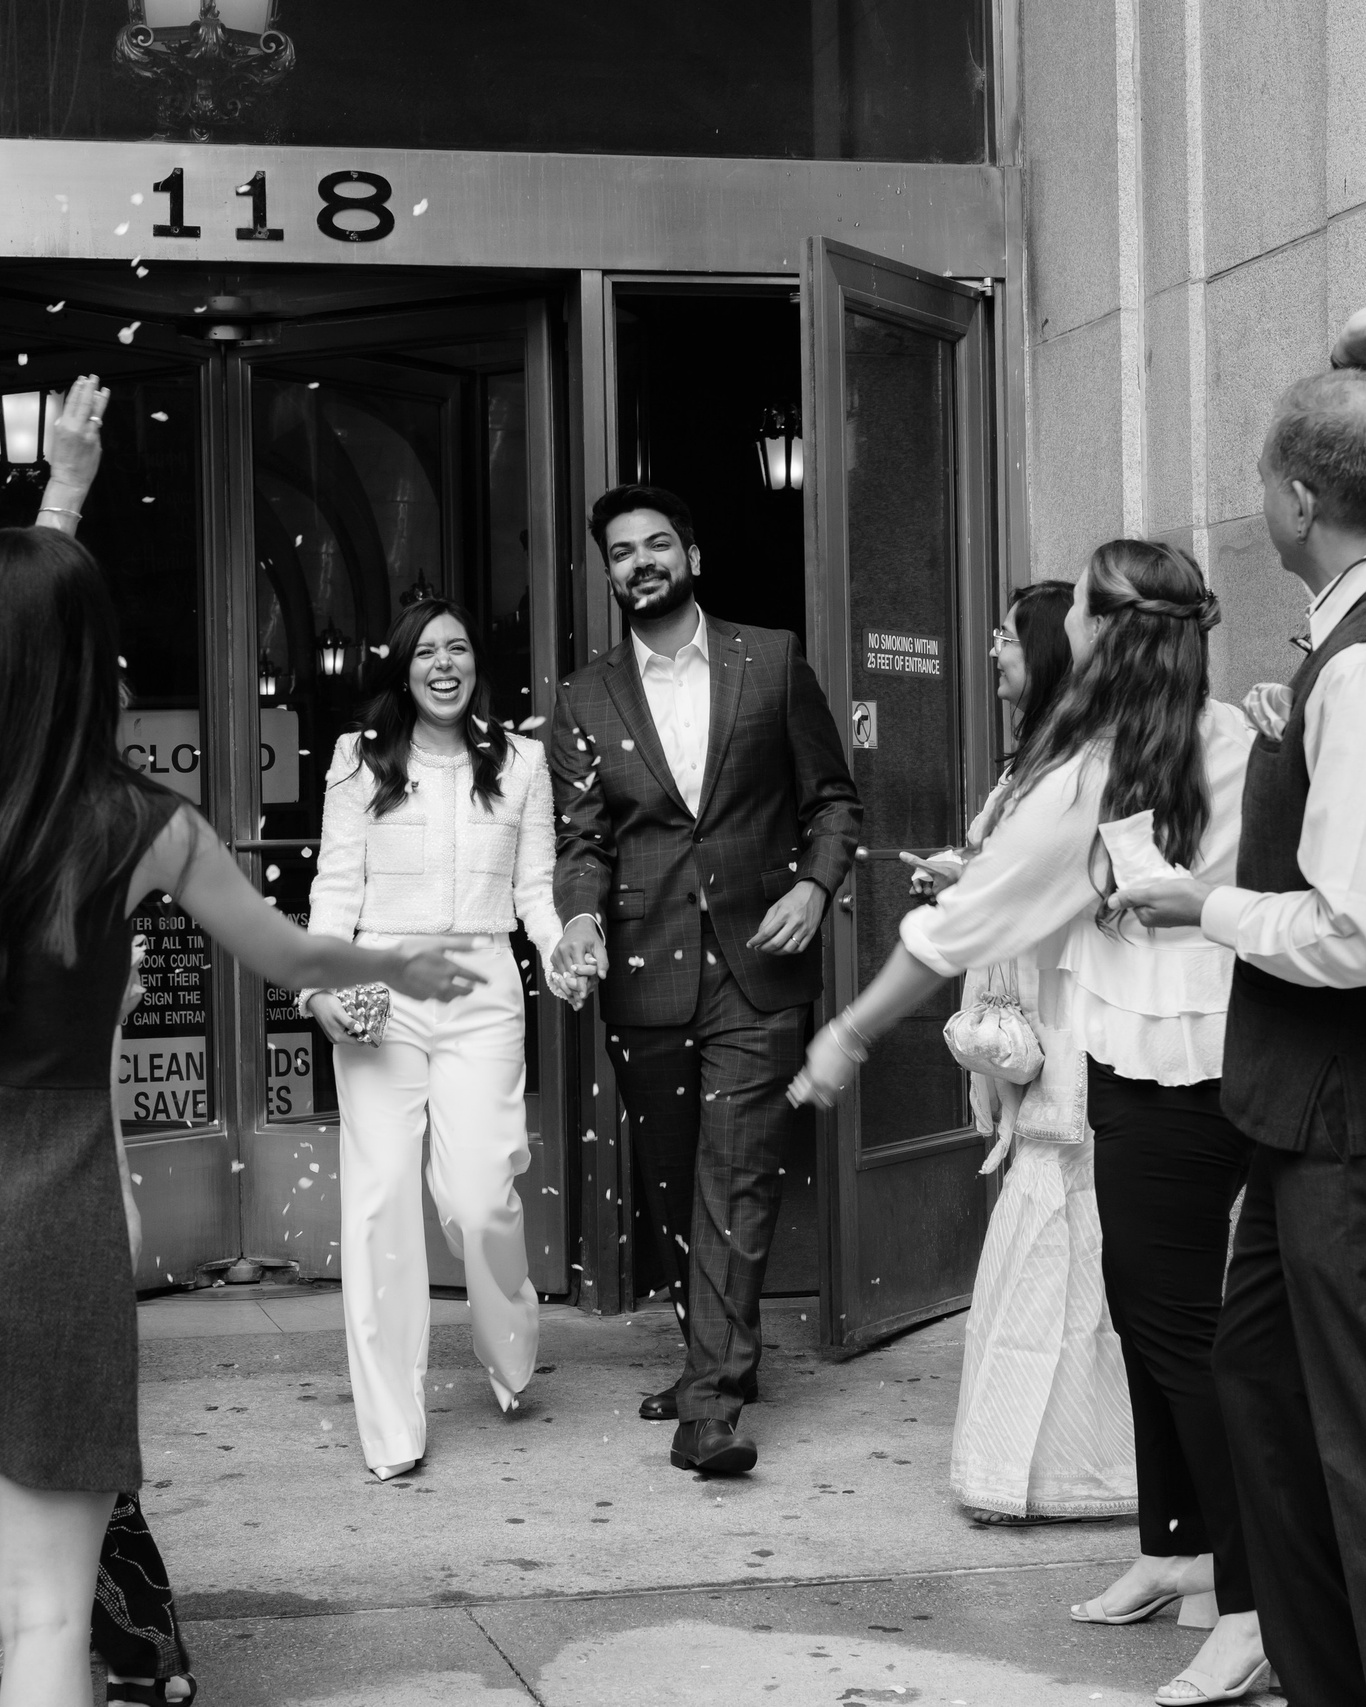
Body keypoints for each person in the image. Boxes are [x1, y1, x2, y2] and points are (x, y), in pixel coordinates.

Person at [0, 383, 483, 1707]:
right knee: (42, 1614)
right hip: (46, 1233)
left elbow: (16, 633)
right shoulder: (142, 826)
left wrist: (62, 496)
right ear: (92, 659)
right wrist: (400, 958)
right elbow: (298, 959)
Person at [791, 540, 1270, 1706]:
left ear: (1105, 636)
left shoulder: (1108, 773)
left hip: (1183, 1081)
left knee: (1180, 1339)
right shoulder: (1229, 738)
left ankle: (1252, 1608)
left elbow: (950, 932)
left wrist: (847, 1034)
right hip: (1163, 1064)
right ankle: (1174, 1548)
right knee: (1152, 1318)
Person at [1118, 367, 1366, 1705]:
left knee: (1338, 1433)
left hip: (1335, 1113)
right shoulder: (1330, 651)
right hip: (1294, 1112)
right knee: (1256, 1380)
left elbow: (1353, 931)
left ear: (1293, 497)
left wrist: (1199, 899)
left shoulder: (1359, 658)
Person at [549, 483, 861, 1476]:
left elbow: (834, 802)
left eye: (655, 545)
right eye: (620, 553)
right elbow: (583, 841)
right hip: (645, 974)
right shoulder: (581, 697)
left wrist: (815, 888)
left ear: (692, 555)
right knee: (675, 1181)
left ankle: (712, 1409)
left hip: (758, 965)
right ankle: (708, 1358)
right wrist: (580, 919)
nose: (638, 562)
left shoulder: (767, 660)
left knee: (737, 1175)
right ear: (607, 575)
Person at [301, 596, 566, 1482]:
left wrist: (567, 948)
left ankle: (508, 1337)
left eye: (458, 647)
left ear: (475, 663)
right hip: (380, 981)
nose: (443, 663)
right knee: (379, 1201)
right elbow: (336, 886)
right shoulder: (357, 758)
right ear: (404, 669)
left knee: (481, 1192)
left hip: (485, 982)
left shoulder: (523, 760)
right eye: (425, 651)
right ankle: (391, 1424)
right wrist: (319, 986)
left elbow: (536, 891)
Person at [926, 581, 1137, 1529]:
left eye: (1007, 636)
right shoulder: (1033, 765)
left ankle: (1081, 1469)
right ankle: (1039, 1460)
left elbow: (1063, 885)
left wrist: (971, 880)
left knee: (1071, 1229)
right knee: (1043, 1232)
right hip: (1026, 1008)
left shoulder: (1086, 765)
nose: (993, 650)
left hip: (1067, 1018)